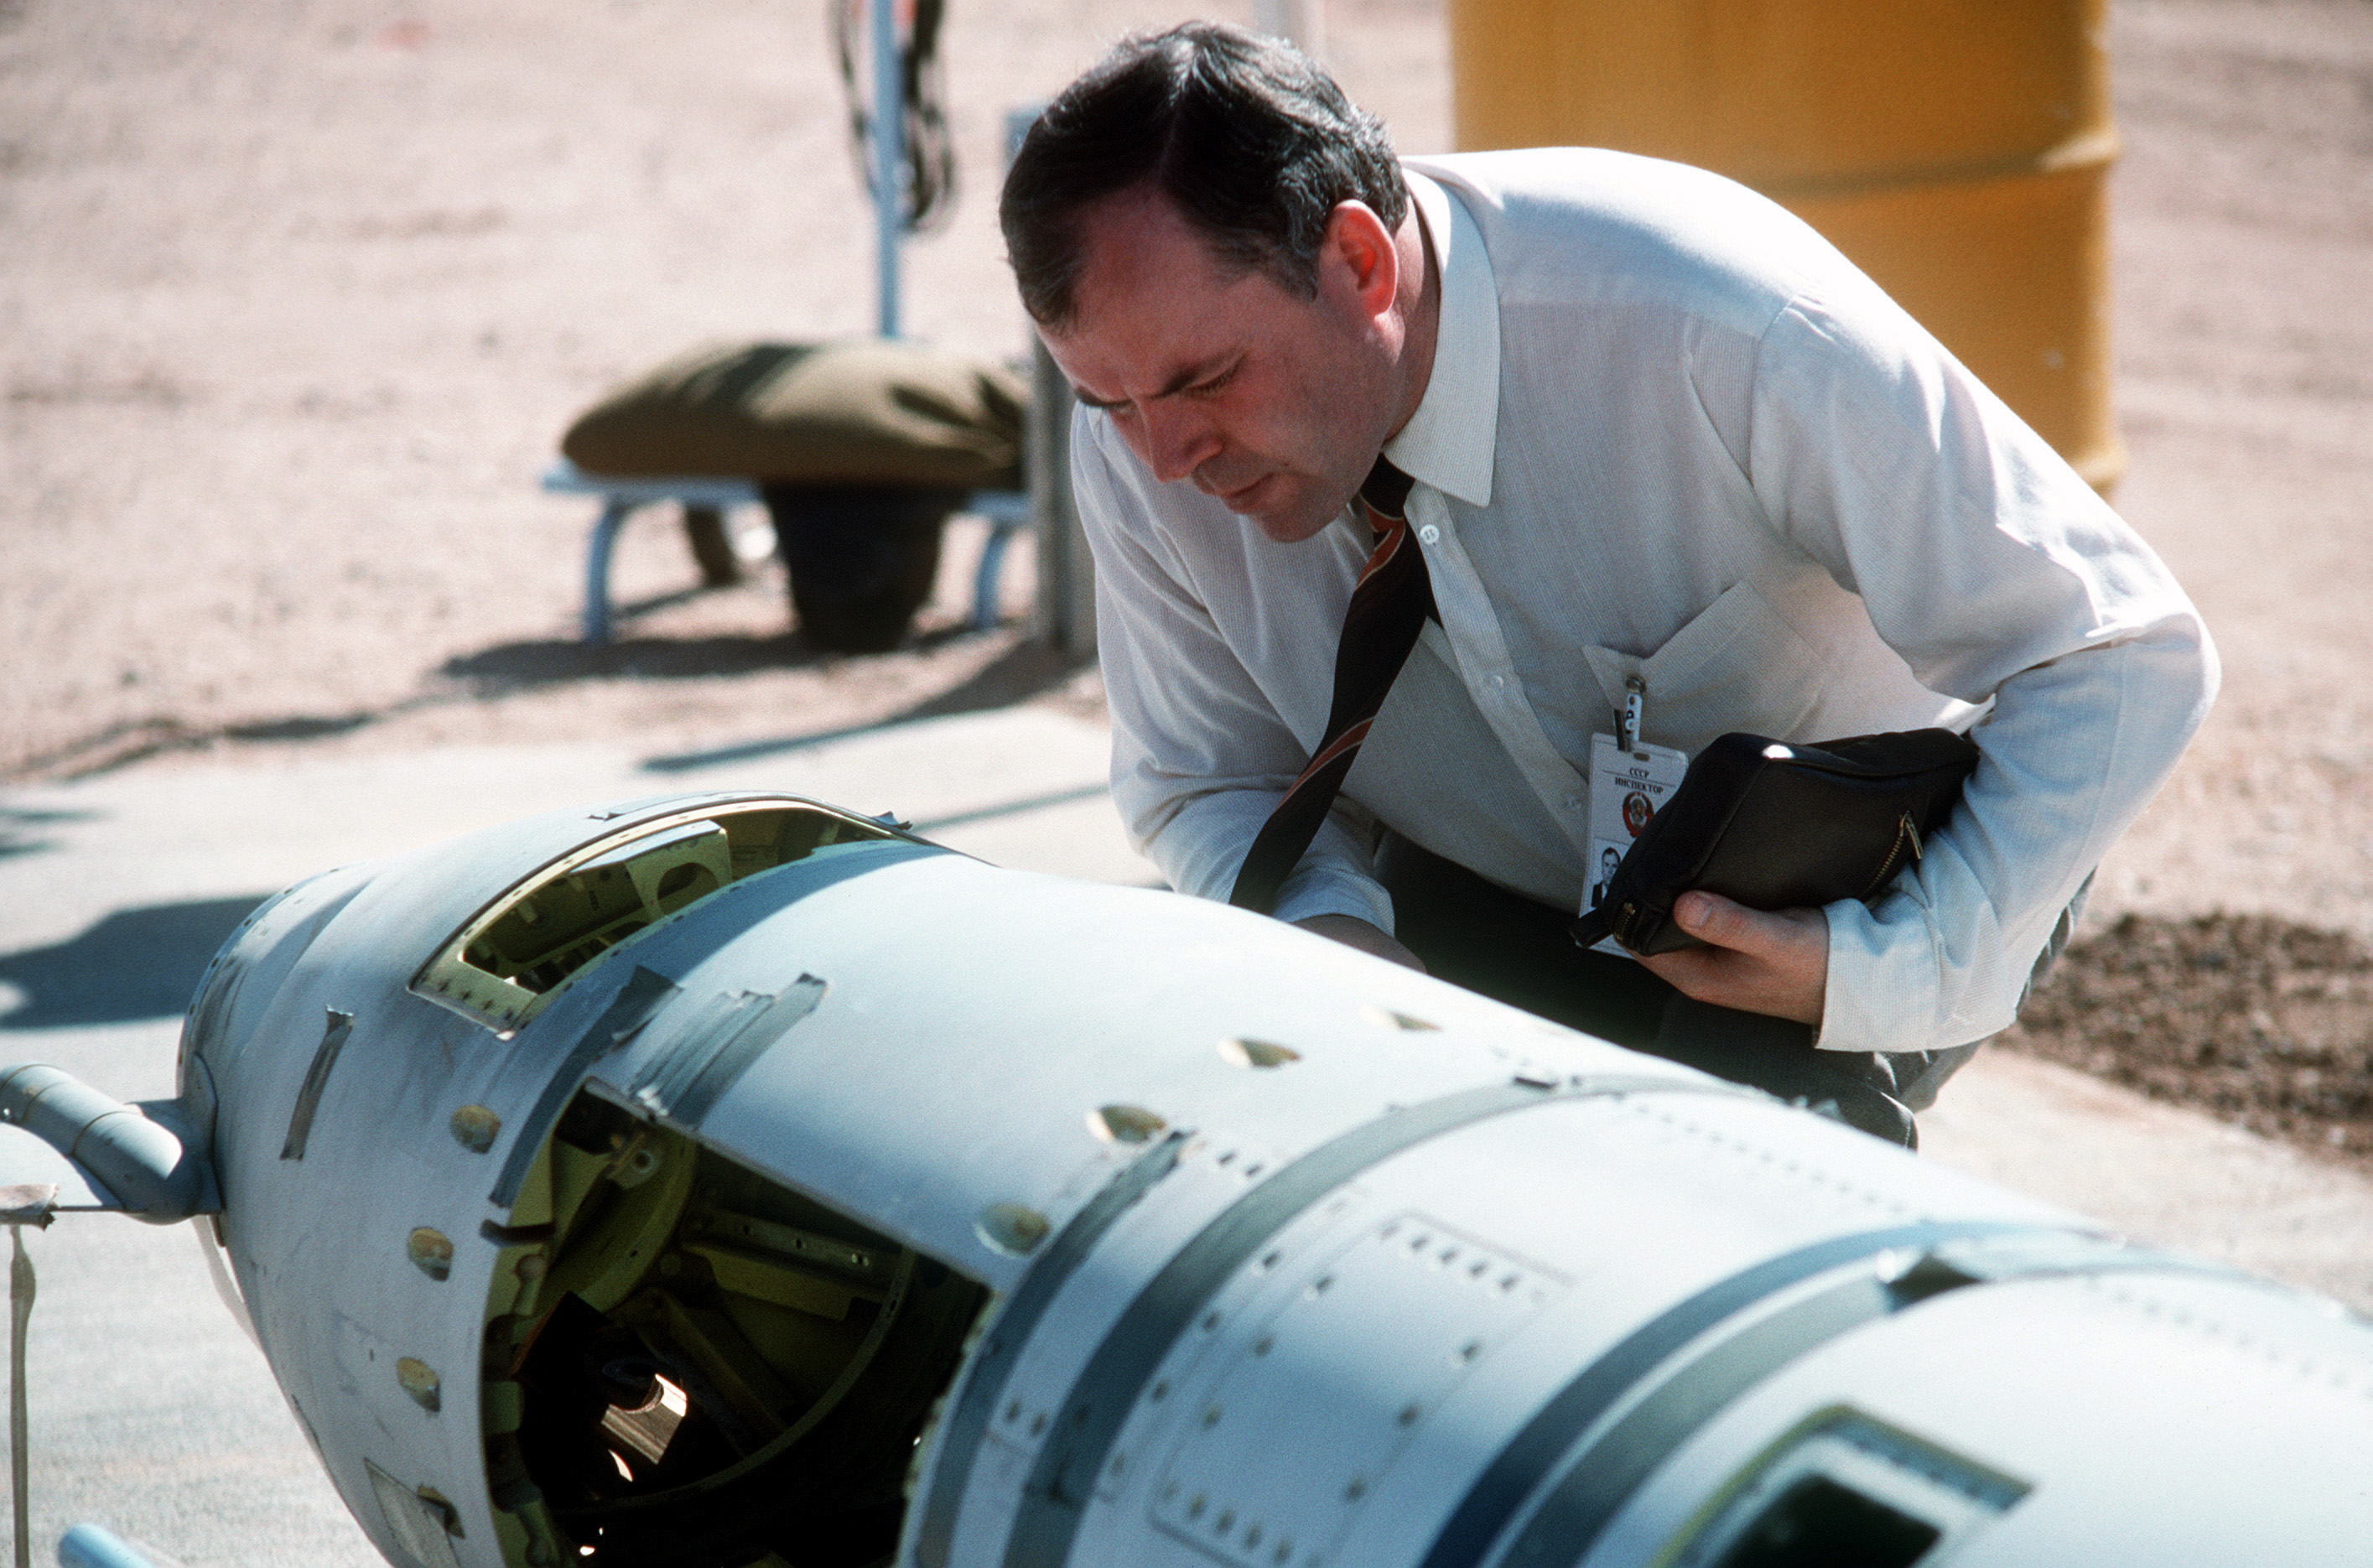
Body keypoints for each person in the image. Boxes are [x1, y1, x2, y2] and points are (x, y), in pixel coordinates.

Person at [999, 23, 2216, 1142]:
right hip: (1485, 877)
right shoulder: (1143, 439)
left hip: (1832, 892)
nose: (1165, 459)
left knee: (1732, 1186)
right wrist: (1329, 940)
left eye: (1206, 380)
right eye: (1107, 402)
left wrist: (1884, 961)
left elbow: (2117, 648)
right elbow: (1209, 774)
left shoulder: (1716, 321)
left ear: (1359, 264)